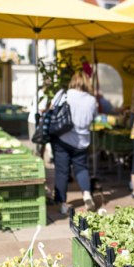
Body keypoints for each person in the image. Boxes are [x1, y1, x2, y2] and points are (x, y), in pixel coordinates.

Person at [50, 70, 98, 215]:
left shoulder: (64, 94)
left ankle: (63, 203)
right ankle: (87, 195)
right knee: (81, 169)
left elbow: (52, 109)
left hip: (63, 138)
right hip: (82, 141)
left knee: (62, 171)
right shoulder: (91, 100)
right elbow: (94, 118)